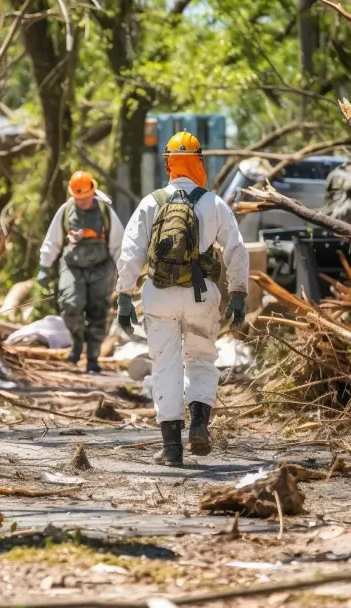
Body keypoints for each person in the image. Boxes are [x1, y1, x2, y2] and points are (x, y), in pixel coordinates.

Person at [116, 132, 249, 466]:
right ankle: (200, 426)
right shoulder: (213, 203)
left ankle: (172, 448)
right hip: (201, 295)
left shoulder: (152, 201)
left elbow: (130, 251)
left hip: (158, 296)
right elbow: (236, 250)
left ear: (169, 162)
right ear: (199, 162)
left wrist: (124, 296)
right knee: (201, 359)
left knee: (165, 366)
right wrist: (238, 294)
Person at [37, 171, 124, 372]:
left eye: (85, 198)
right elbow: (53, 240)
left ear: (93, 193)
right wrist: (44, 266)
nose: (82, 202)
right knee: (70, 305)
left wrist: (122, 274)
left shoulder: (105, 212)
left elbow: (118, 246)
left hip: (101, 268)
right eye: (78, 198)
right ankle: (77, 340)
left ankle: (92, 358)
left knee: (98, 312)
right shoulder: (66, 210)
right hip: (72, 267)